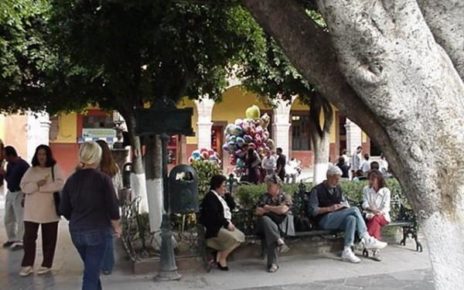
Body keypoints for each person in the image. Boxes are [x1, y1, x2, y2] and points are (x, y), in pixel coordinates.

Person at [60, 141, 121, 290]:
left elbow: (63, 208)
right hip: (98, 231)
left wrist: (76, 219)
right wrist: (117, 227)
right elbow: (113, 207)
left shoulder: (71, 180)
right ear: (97, 157)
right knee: (90, 275)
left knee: (91, 270)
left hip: (76, 231)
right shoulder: (103, 179)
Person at [308, 166, 387, 263]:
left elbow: (344, 202)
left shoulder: (337, 189)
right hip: (323, 220)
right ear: (329, 177)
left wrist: (343, 206)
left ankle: (347, 250)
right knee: (354, 210)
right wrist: (329, 208)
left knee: (351, 219)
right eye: (336, 179)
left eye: (338, 179)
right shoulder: (316, 190)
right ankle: (366, 238)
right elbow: (313, 210)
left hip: (337, 217)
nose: (337, 182)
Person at [18, 145, 65, 276]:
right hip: (31, 210)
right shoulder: (31, 170)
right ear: (36, 155)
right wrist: (36, 185)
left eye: (44, 154)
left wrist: (42, 189)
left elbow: (60, 184)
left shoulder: (54, 168)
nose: (42, 157)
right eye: (39, 154)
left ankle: (46, 264)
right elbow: (23, 186)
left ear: (48, 155)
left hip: (49, 209)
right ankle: (27, 264)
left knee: (49, 239)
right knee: (28, 238)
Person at [199, 175, 245, 270]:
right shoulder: (210, 197)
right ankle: (222, 259)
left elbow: (232, 206)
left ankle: (220, 254)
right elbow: (215, 215)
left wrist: (227, 194)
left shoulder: (220, 197)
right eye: (223, 185)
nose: (225, 187)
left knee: (241, 236)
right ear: (217, 186)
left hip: (224, 225)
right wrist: (226, 224)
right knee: (234, 239)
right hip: (214, 229)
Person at [255, 174, 293, 273]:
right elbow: (258, 211)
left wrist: (267, 208)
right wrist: (275, 210)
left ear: (277, 185)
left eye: (270, 185)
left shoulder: (285, 196)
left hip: (281, 225)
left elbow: (283, 210)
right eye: (267, 185)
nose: (267, 187)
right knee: (265, 221)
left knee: (271, 233)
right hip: (263, 227)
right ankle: (274, 261)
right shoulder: (264, 197)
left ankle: (273, 262)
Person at [96, 140, 123, 275]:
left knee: (97, 235)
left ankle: (96, 263)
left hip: (95, 206)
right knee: (107, 236)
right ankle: (107, 265)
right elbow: (119, 187)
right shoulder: (114, 168)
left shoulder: (92, 169)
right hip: (111, 204)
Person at [1, 146, 30, 250]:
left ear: (11, 155)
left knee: (20, 217)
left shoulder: (23, 165)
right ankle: (11, 238)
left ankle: (21, 240)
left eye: (5, 155)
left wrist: (25, 196)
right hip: (10, 192)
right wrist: (4, 175)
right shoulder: (9, 165)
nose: (4, 158)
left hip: (20, 192)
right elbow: (9, 179)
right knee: (8, 217)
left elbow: (28, 180)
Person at [362, 170, 391, 260]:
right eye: (369, 179)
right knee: (375, 221)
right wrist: (371, 210)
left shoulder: (386, 191)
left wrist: (378, 212)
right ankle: (375, 250)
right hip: (370, 214)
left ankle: (365, 240)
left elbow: (386, 207)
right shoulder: (366, 189)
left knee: (376, 219)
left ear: (378, 180)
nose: (371, 182)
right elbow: (365, 203)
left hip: (383, 216)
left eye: (373, 180)